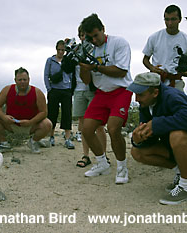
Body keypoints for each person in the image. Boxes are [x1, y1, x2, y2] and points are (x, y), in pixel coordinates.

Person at [127, 72, 187, 205]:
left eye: (140, 94)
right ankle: (181, 172)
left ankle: (185, 187)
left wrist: (156, 123)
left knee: (178, 135)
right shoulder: (146, 106)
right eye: (135, 94)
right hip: (175, 150)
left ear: (155, 92)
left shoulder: (173, 96)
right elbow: (151, 139)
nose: (136, 99)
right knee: (137, 152)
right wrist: (138, 139)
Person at [78, 13, 133, 184]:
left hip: (121, 90)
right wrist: (84, 67)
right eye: (90, 37)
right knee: (86, 129)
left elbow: (121, 71)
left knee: (113, 128)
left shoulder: (119, 43)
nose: (94, 40)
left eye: (96, 35)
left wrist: (95, 66)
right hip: (102, 93)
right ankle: (102, 163)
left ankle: (122, 167)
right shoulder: (88, 48)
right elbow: (86, 81)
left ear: (103, 29)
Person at [63, 26, 108, 167]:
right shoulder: (76, 50)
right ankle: (86, 155)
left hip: (93, 89)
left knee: (99, 125)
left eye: (85, 35)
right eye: (81, 35)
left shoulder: (95, 50)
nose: (83, 38)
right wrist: (68, 52)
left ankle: (103, 155)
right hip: (78, 90)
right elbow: (66, 67)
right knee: (83, 125)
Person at [0, 67, 52, 154]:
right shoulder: (7, 90)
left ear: (29, 80)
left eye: (25, 79)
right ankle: (4, 143)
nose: (22, 82)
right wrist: (4, 117)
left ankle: (33, 141)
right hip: (11, 124)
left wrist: (30, 122)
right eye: (20, 80)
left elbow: (44, 112)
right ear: (15, 80)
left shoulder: (37, 92)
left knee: (47, 124)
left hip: (31, 125)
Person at [142, 4, 187, 91]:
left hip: (176, 81)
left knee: (179, 103)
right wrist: (152, 68)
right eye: (167, 20)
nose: (170, 23)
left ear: (179, 19)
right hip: (156, 81)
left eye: (173, 19)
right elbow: (145, 59)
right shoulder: (154, 37)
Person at [44, 40, 75, 149]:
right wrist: (49, 89)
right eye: (59, 49)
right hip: (54, 90)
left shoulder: (68, 61)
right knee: (52, 113)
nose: (61, 52)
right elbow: (46, 75)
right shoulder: (50, 60)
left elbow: (71, 74)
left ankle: (67, 138)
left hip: (66, 90)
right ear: (56, 49)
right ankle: (51, 136)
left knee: (67, 114)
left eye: (63, 50)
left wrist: (71, 89)